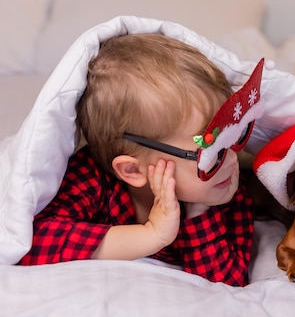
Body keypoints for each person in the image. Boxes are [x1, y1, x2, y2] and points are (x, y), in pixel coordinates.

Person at [19, 33, 264, 287]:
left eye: (234, 135)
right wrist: (150, 235)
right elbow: (29, 243)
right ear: (133, 170)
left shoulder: (224, 188)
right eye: (210, 150)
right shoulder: (89, 179)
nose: (232, 159)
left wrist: (199, 212)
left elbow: (230, 280)